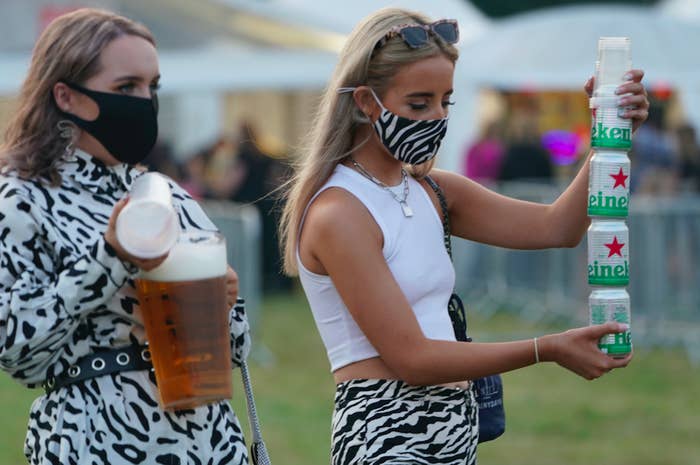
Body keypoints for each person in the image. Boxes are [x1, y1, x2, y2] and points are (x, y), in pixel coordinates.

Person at [279, 8, 648, 465]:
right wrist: (545, 348)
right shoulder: (340, 212)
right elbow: (411, 357)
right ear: (365, 102)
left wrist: (609, 138)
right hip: (385, 430)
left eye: (445, 101)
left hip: (456, 423)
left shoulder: (434, 190)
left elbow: (557, 227)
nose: (436, 117)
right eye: (419, 103)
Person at [0, 9, 250, 465]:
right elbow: (19, 355)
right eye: (125, 87)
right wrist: (110, 254)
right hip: (95, 440)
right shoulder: (22, 199)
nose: (144, 101)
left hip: (209, 443)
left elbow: (235, 352)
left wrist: (226, 303)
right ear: (67, 96)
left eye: (151, 86)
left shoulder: (167, 195)